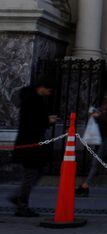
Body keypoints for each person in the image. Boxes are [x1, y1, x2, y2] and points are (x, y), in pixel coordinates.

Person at [8, 79, 58, 217]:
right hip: (31, 143)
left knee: (36, 172)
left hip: (30, 143)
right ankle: (21, 205)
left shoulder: (31, 99)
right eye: (49, 90)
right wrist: (48, 120)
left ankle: (19, 198)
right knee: (31, 174)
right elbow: (33, 122)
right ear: (42, 87)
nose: (49, 93)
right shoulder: (33, 101)